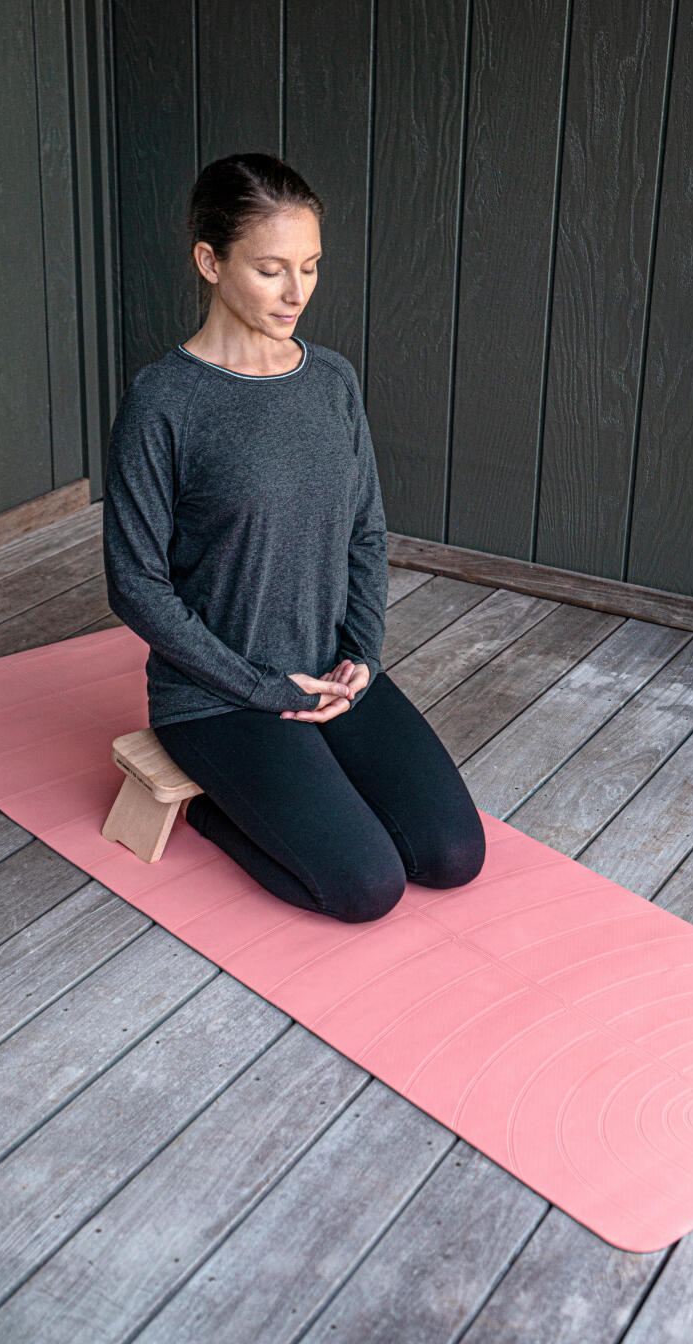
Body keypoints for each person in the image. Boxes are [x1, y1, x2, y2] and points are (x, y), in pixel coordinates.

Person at [103, 152, 486, 923]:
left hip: (327, 674)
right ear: (209, 262)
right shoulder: (164, 401)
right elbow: (135, 584)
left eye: (310, 266)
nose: (297, 291)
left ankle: (298, 784)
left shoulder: (332, 380)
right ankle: (215, 813)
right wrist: (263, 689)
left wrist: (361, 659)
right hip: (216, 696)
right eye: (271, 269)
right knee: (365, 887)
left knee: (452, 856)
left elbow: (365, 534)